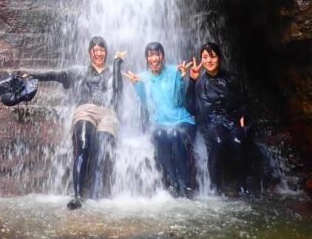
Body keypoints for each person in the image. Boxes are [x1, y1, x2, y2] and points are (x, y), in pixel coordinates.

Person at [25, 36, 126, 210]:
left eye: (102, 49)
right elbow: (55, 75)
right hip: (85, 110)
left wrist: (117, 64)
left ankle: (98, 197)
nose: (99, 53)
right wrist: (32, 75)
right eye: (96, 50)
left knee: (103, 150)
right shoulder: (78, 71)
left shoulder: (112, 72)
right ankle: (77, 196)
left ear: (106, 52)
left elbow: (118, 93)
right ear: (89, 53)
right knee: (84, 144)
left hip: (108, 113)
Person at [124, 42, 197, 197]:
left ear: (162, 56)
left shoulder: (175, 71)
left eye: (157, 54)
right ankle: (173, 183)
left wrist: (181, 79)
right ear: (146, 58)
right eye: (150, 55)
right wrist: (137, 86)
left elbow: (179, 101)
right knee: (159, 135)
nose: (154, 58)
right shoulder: (142, 77)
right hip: (159, 123)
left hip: (182, 120)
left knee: (176, 135)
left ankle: (187, 185)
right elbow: (146, 105)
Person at [186, 41, 251, 194]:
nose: (209, 61)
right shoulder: (200, 83)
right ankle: (214, 186)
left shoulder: (232, 79)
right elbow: (191, 107)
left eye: (212, 56)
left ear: (220, 58)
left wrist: (243, 115)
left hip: (232, 120)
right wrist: (192, 81)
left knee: (238, 141)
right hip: (212, 123)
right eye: (205, 57)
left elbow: (244, 100)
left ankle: (242, 185)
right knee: (218, 141)